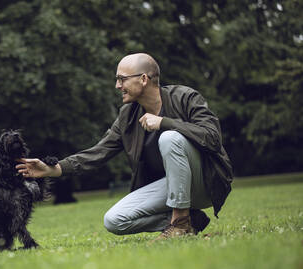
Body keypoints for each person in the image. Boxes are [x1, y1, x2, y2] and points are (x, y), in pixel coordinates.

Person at [16, 53, 233, 240]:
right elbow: (99, 152)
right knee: (114, 220)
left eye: (122, 79)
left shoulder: (185, 97)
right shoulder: (128, 115)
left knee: (169, 138)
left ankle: (179, 223)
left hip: (205, 180)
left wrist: (165, 123)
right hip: (171, 187)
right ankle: (191, 220)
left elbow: (212, 137)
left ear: (144, 79)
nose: (117, 86)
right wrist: (53, 169)